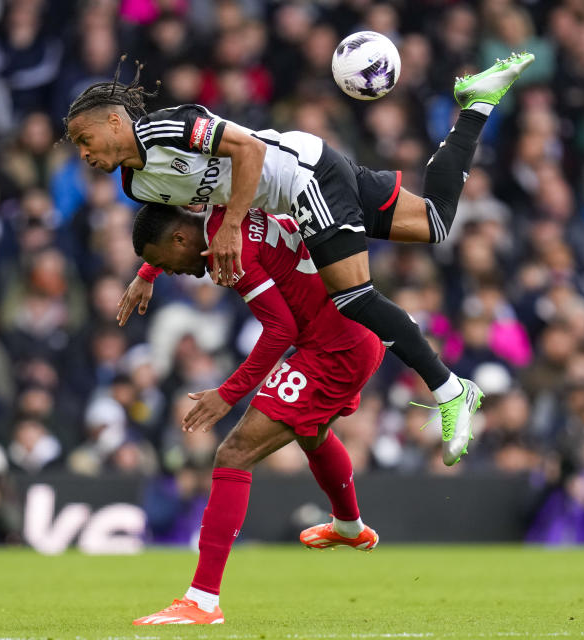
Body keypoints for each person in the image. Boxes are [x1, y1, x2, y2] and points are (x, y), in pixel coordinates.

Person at [65, 52, 535, 464]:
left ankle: (451, 391)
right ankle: (478, 104)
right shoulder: (135, 183)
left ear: (114, 123)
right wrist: (148, 271)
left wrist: (231, 227)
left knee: (352, 297)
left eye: (84, 139)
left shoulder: (166, 129)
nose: (83, 152)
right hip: (307, 175)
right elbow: (174, 231)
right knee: (434, 222)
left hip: (301, 176)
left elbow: (248, 149)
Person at [126, 203, 385, 625]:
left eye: (163, 263)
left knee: (233, 454)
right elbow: (175, 209)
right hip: (352, 327)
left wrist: (227, 395)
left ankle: (203, 600)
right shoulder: (225, 207)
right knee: (311, 432)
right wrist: (147, 272)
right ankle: (349, 525)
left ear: (178, 240)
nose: (170, 272)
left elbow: (280, 329)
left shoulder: (233, 251)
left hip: (332, 346)